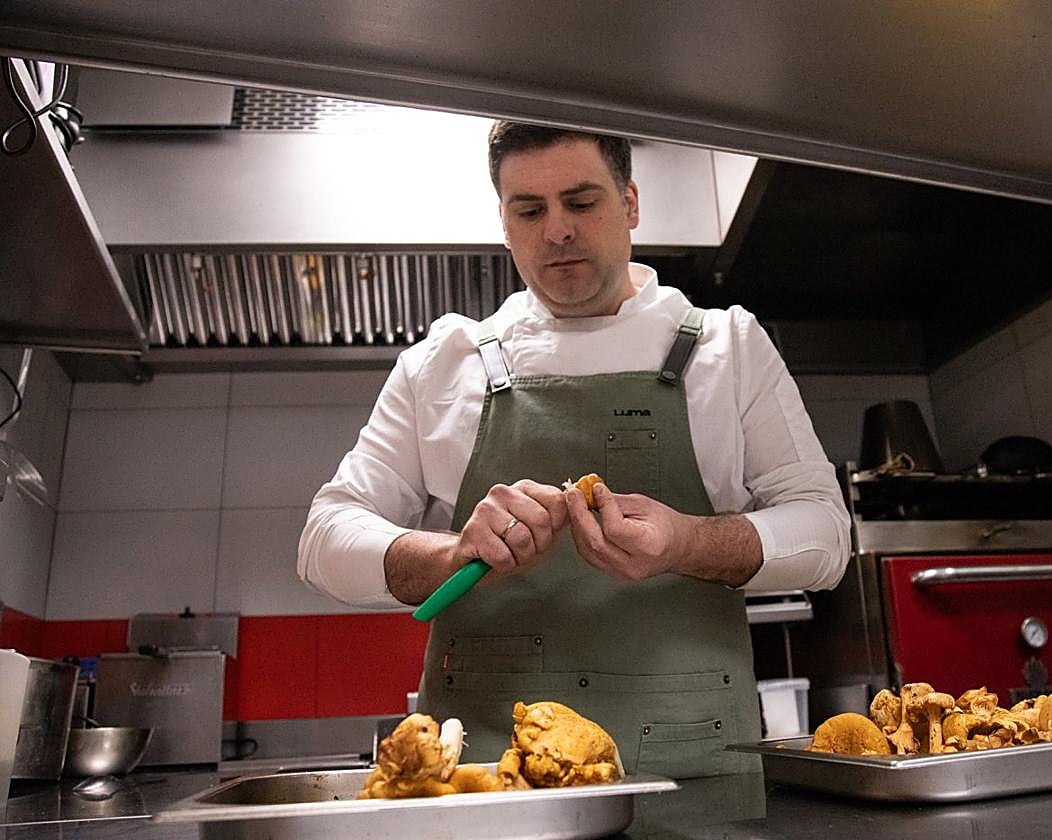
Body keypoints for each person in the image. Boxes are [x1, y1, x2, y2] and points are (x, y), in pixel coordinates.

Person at [298, 121, 850, 778]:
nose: (556, 229)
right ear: (504, 223)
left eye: (581, 203)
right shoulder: (441, 366)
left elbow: (824, 536)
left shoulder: (725, 348)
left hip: (692, 782)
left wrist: (686, 542)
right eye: (528, 210)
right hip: (489, 788)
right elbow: (322, 541)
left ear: (631, 204)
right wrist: (455, 554)